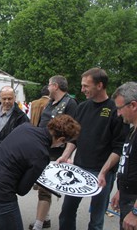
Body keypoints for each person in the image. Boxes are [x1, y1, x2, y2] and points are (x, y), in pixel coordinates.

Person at [0, 115, 81, 230]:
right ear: (61, 140)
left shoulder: (24, 127)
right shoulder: (42, 155)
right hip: (1, 195)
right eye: (63, 143)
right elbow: (22, 190)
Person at [57, 68, 129, 230]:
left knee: (96, 220)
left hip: (102, 173)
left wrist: (104, 171)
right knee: (66, 212)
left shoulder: (114, 110)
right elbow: (74, 136)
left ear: (100, 85)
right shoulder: (82, 107)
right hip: (78, 169)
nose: (82, 89)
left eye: (85, 86)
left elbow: (119, 147)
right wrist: (65, 155)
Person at [30, 76, 78, 230]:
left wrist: (67, 155)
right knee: (43, 187)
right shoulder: (51, 102)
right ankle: (45, 218)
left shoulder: (70, 103)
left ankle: (38, 224)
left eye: (49, 85)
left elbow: (73, 131)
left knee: (45, 188)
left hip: (57, 153)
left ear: (55, 86)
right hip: (43, 149)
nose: (47, 88)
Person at [110, 82, 137, 230]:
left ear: (133, 105)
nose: (118, 114)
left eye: (120, 108)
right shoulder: (132, 131)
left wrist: (136, 212)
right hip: (128, 196)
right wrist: (121, 190)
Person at [0, 86, 29, 156]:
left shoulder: (21, 117)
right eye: (4, 99)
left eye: (9, 99)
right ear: (0, 98)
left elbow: (23, 142)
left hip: (7, 159)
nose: (7, 101)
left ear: (14, 98)